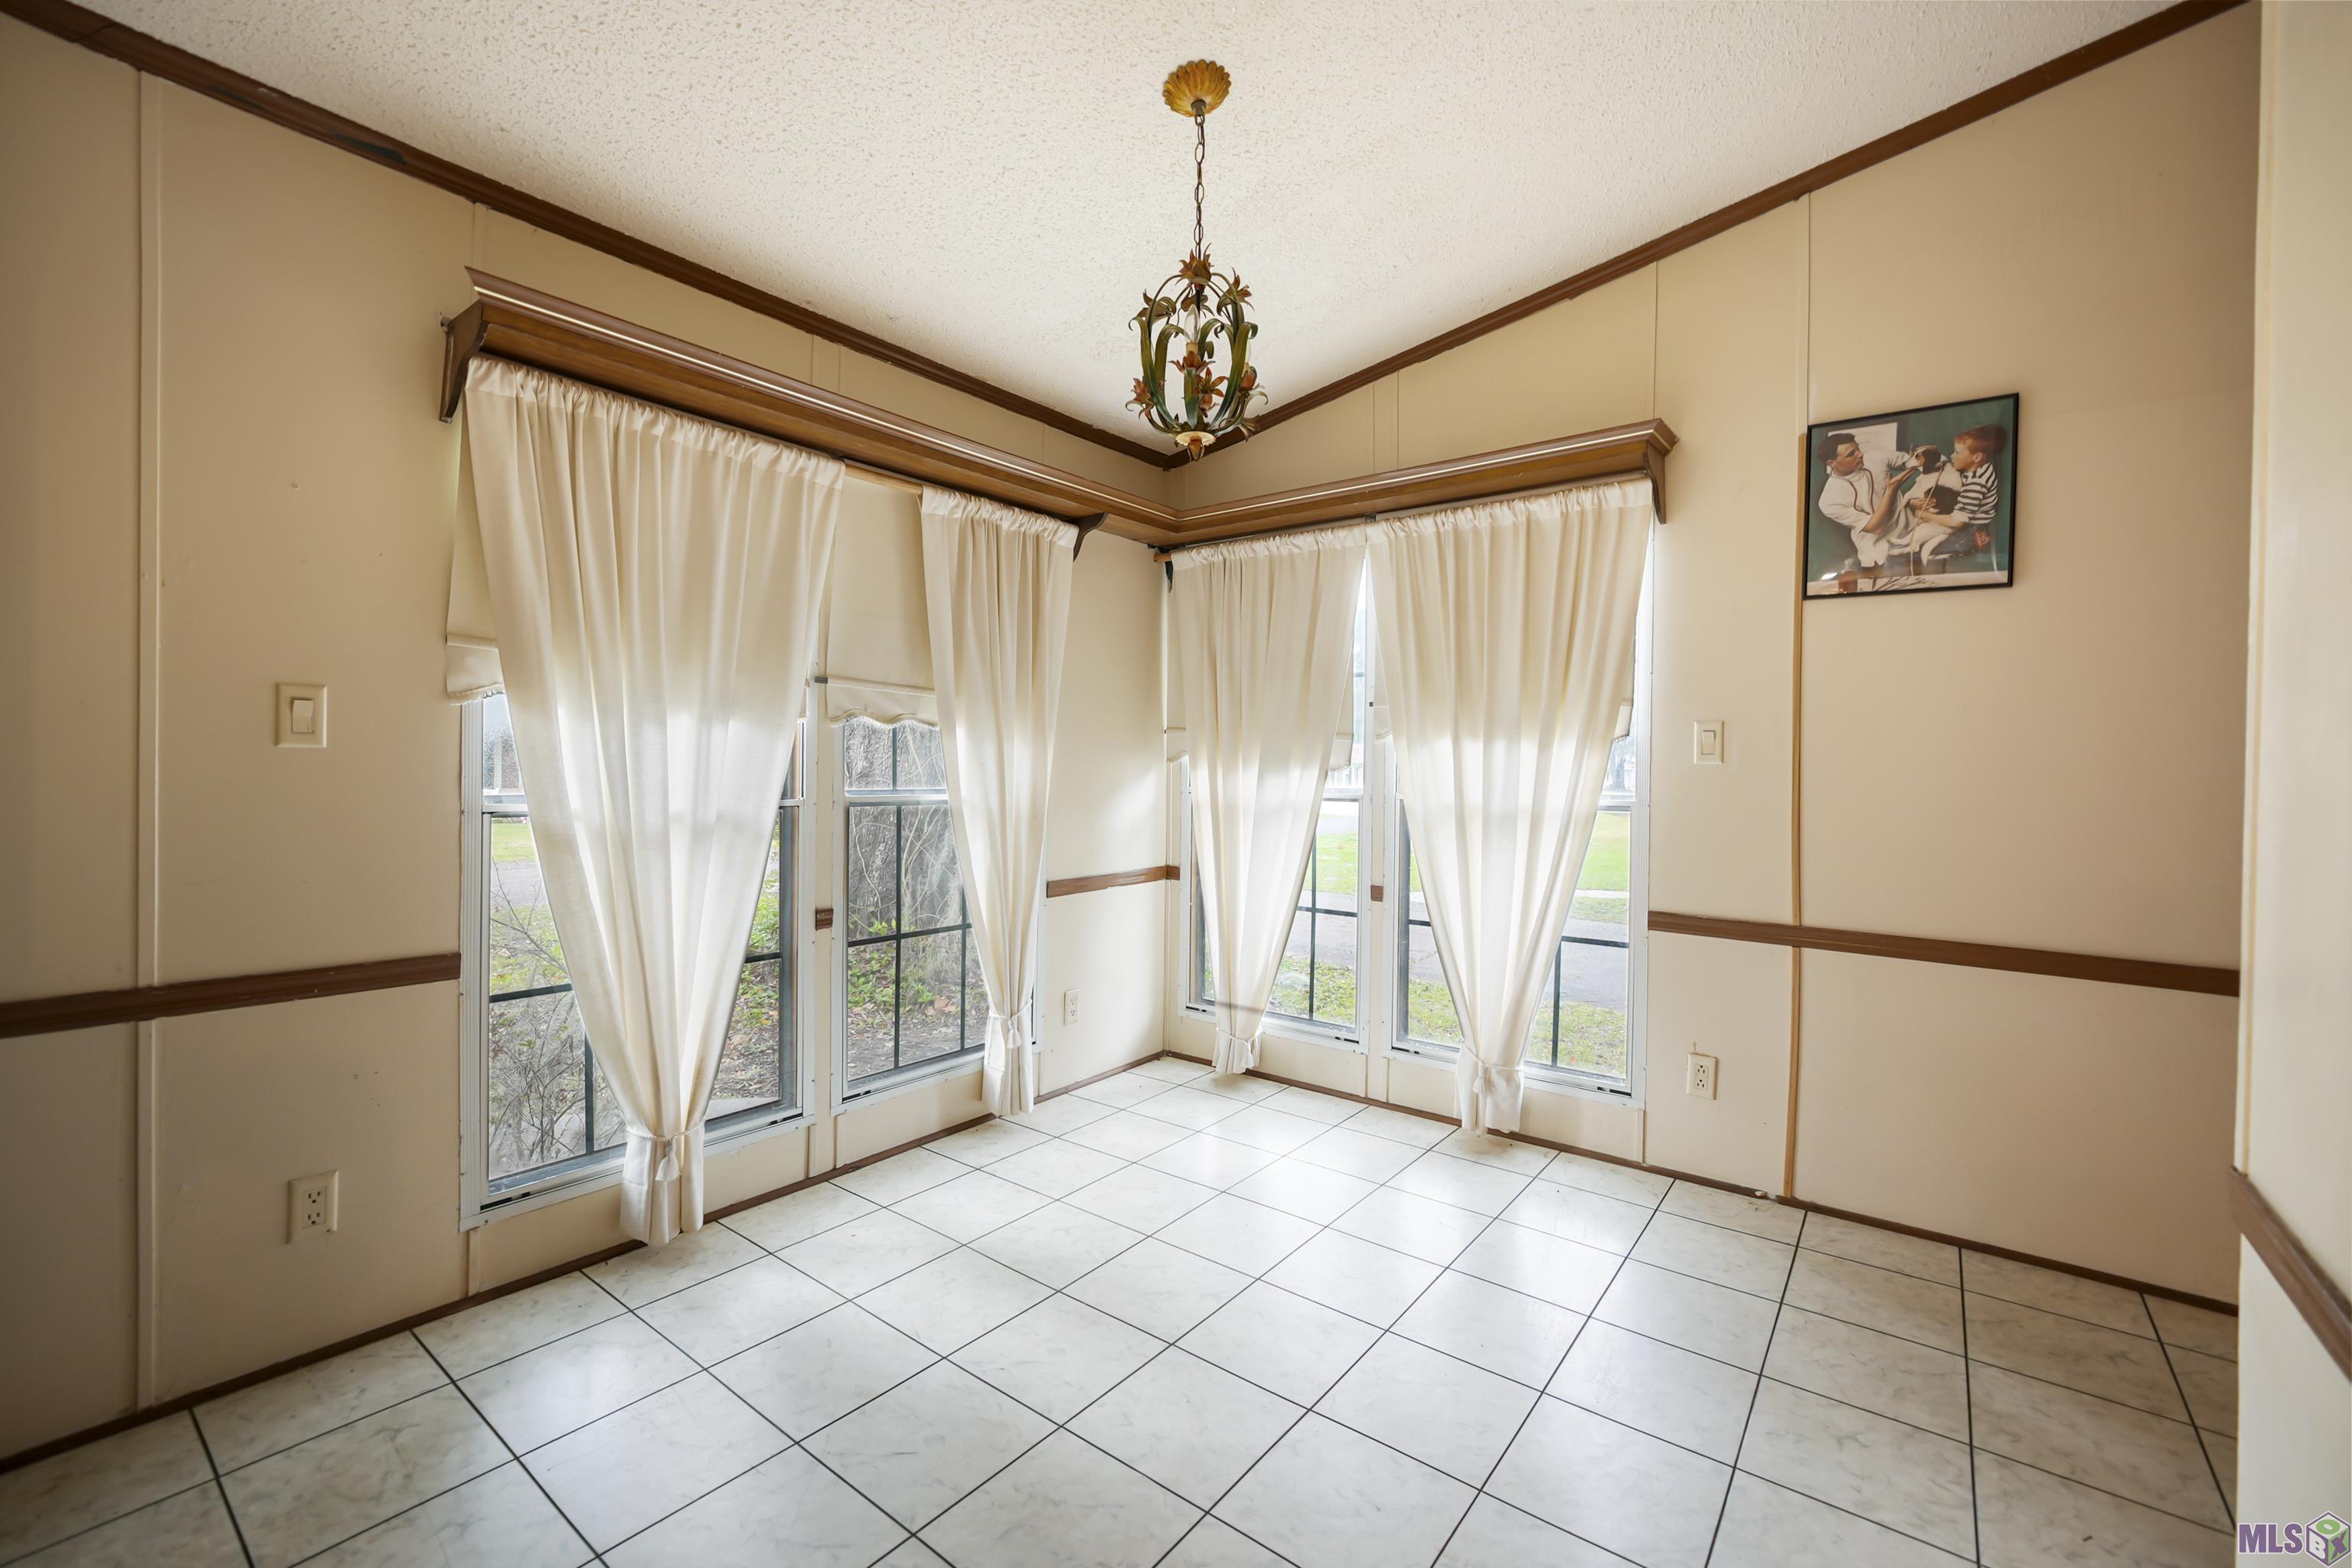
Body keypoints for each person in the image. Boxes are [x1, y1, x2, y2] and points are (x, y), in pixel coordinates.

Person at [1817, 433, 1926, 571]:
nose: (1860, 454)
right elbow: (1876, 527)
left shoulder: (1876, 457)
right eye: (1851, 454)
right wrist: (1891, 490)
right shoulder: (1829, 501)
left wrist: (1919, 460)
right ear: (1832, 464)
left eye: (1858, 449)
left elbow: (1915, 461)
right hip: (1881, 555)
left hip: (1914, 534)